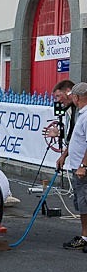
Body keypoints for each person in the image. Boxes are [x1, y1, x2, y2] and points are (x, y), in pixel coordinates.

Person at [63, 82, 87, 250]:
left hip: (82, 168)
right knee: (81, 202)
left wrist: (83, 165)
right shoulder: (81, 114)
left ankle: (85, 237)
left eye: (73, 96)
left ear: (78, 97)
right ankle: (85, 235)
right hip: (77, 165)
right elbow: (76, 140)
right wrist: (64, 155)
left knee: (84, 202)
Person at [45, 79, 78, 171]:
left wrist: (83, 165)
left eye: (59, 96)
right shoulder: (68, 110)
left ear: (68, 91)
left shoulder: (81, 111)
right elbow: (74, 136)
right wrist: (60, 134)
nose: (58, 100)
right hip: (76, 160)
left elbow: (81, 139)